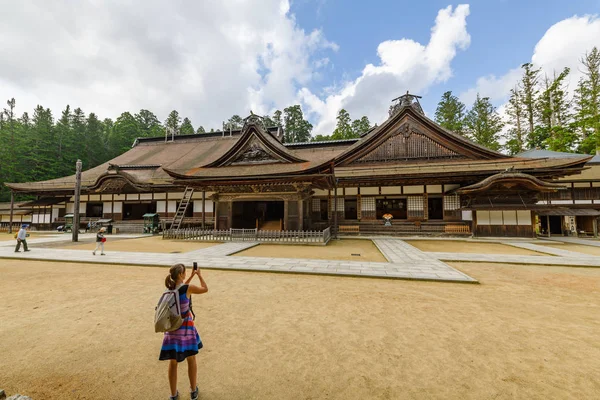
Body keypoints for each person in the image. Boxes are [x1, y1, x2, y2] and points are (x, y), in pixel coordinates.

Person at [160, 263, 208, 400]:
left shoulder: (169, 289)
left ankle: (173, 394)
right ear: (181, 274)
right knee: (191, 359)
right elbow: (205, 289)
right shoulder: (188, 288)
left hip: (172, 330)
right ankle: (193, 391)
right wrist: (199, 274)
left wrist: (191, 275)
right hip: (186, 329)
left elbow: (182, 287)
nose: (186, 273)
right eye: (185, 272)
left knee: (173, 362)